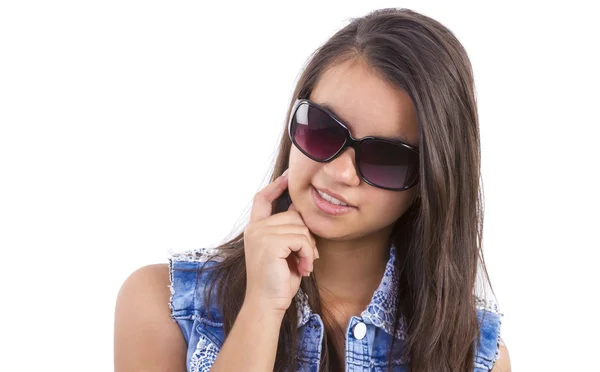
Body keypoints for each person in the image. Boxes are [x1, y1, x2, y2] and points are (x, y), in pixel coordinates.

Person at [114, 7, 511, 372]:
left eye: (385, 158)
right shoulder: (164, 305)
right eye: (323, 129)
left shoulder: (474, 355)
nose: (340, 172)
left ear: (431, 181)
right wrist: (262, 308)